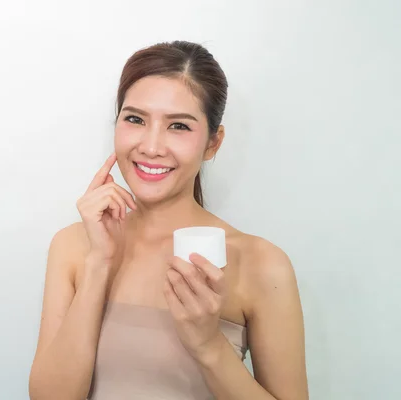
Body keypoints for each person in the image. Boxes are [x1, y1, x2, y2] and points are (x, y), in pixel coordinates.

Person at [28, 40, 308, 400]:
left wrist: (208, 345)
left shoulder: (262, 264)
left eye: (178, 126)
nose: (151, 145)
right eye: (135, 119)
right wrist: (99, 263)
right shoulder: (73, 246)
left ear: (213, 143)